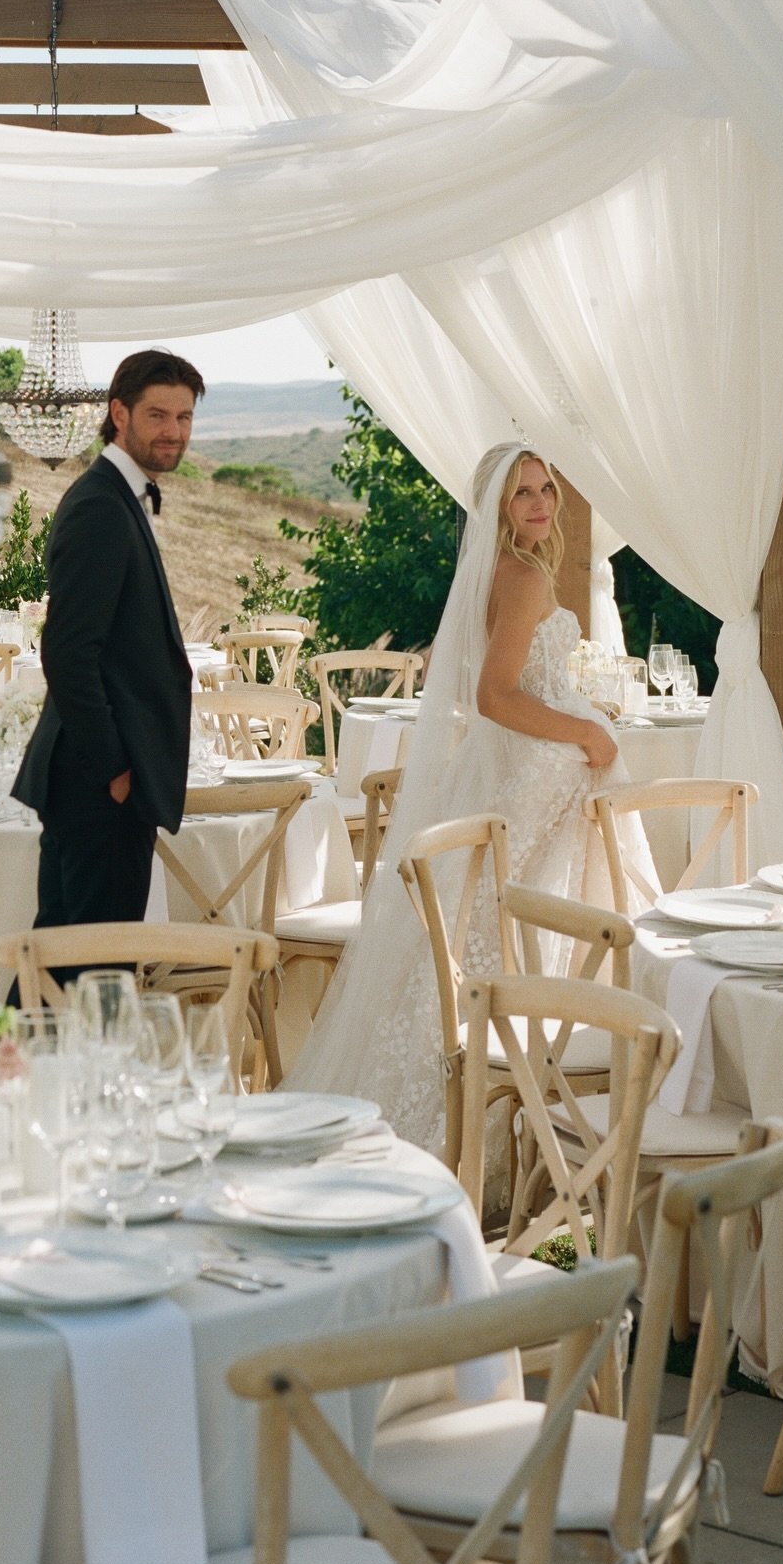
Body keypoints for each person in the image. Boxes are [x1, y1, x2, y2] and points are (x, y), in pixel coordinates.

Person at [288, 441, 638, 1151]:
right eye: (523, 494)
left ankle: (513, 1126)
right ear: (496, 508)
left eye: (545, 490)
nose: (540, 503)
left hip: (529, 771)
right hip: (539, 776)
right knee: (518, 929)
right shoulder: (523, 580)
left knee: (497, 932)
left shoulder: (508, 570)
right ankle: (516, 1124)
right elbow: (496, 696)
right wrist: (585, 733)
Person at [13, 348, 206, 935]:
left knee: (64, 957)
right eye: (158, 416)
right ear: (119, 414)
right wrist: (116, 769)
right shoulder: (99, 505)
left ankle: (13, 1034)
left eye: (184, 417)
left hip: (99, 784)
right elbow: (69, 654)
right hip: (95, 785)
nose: (173, 432)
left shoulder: (121, 495)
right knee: (92, 961)